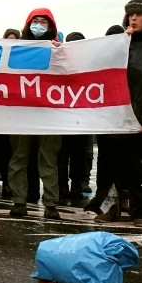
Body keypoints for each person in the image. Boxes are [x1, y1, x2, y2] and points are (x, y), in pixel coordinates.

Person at [94, 0, 142, 228]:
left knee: (138, 167)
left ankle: (141, 210)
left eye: (139, 15)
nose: (134, 19)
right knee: (109, 166)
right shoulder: (119, 45)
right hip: (113, 117)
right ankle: (110, 206)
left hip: (137, 119)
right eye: (130, 15)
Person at [8, 8, 63, 219]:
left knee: (48, 157)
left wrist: (60, 52)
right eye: (35, 21)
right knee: (19, 156)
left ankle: (50, 204)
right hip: (22, 112)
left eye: (43, 22)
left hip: (49, 114)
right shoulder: (17, 49)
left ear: (51, 26)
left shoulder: (59, 49)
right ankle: (19, 201)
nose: (39, 25)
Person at [57, 31, 94, 205]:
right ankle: (62, 187)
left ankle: (76, 186)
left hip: (81, 120)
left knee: (78, 157)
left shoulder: (89, 65)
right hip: (64, 120)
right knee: (62, 158)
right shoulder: (60, 63)